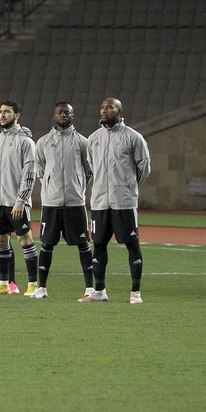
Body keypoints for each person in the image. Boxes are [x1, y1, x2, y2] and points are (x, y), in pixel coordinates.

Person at [79, 98, 151, 304]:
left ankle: (135, 293)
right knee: (99, 244)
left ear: (120, 112)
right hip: (100, 202)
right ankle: (99, 291)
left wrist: (128, 186)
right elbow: (92, 166)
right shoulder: (93, 139)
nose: (104, 110)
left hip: (124, 202)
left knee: (132, 244)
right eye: (102, 107)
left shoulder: (133, 137)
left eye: (110, 107)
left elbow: (143, 167)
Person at [31, 102, 94, 299]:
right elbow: (39, 168)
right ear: (54, 115)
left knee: (83, 245)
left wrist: (77, 186)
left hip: (75, 202)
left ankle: (90, 288)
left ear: (73, 116)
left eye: (67, 112)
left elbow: (88, 170)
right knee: (47, 245)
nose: (63, 115)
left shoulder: (82, 142)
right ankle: (42, 288)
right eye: (60, 112)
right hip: (51, 203)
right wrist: (51, 186)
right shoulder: (43, 142)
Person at [0, 100, 39, 296]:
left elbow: (29, 174)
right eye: (0, 112)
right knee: (0, 241)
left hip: (16, 203)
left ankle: (32, 284)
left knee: (25, 240)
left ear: (17, 115)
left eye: (7, 112)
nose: (2, 115)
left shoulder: (26, 142)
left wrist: (21, 201)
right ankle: (4, 284)